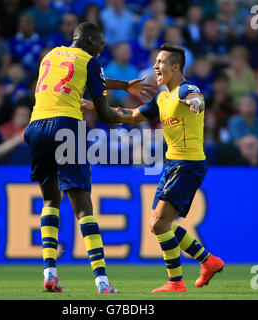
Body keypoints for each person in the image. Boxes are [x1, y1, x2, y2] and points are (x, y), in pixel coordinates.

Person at [24, 22, 156, 294]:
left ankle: (50, 273)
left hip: (36, 126)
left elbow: (81, 78)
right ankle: (102, 281)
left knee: (50, 200)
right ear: (89, 40)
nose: (101, 48)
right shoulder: (90, 61)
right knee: (83, 206)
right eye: (100, 43)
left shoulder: (51, 55)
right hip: (66, 127)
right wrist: (137, 116)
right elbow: (105, 114)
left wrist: (123, 85)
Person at [82, 44, 225, 292]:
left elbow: (196, 98)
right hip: (172, 164)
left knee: (159, 223)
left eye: (160, 62)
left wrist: (196, 104)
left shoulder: (186, 89)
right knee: (158, 224)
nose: (155, 66)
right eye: (155, 62)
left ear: (176, 67)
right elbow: (132, 115)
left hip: (188, 165)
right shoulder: (162, 98)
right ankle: (208, 261)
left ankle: (176, 282)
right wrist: (96, 106)